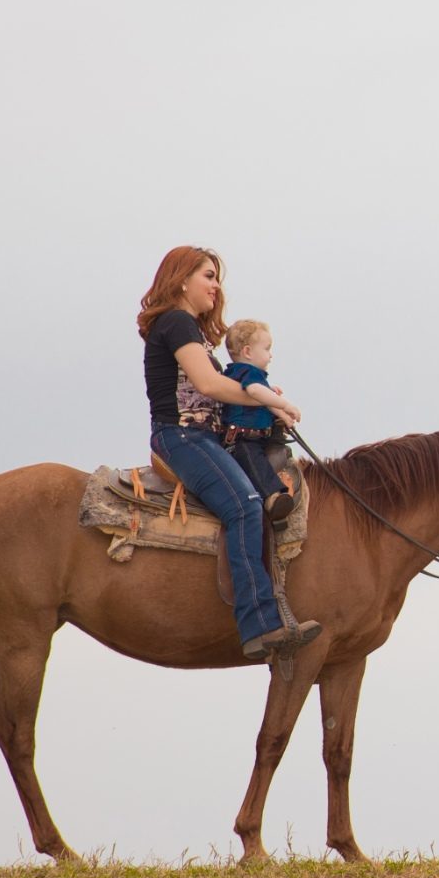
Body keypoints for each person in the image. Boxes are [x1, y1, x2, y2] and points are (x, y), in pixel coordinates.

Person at [136, 246, 320, 660]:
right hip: (182, 437)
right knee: (245, 505)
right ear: (182, 279)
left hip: (208, 438)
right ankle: (260, 626)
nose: (216, 287)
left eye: (217, 278)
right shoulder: (177, 322)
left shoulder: (193, 332)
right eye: (209, 276)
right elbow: (208, 385)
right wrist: (269, 403)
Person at [219, 318, 295, 519]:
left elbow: (263, 400)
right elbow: (255, 392)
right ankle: (272, 496)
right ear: (248, 352)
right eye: (267, 349)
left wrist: (283, 415)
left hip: (257, 437)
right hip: (243, 440)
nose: (271, 356)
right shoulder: (248, 373)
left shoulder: (248, 375)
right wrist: (285, 404)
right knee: (254, 462)